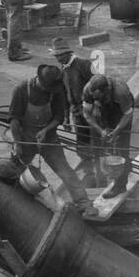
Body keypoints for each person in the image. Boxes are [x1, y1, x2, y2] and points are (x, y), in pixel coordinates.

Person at [8, 63, 100, 219]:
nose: (48, 91)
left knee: (66, 171)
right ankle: (12, 206)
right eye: (46, 87)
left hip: (49, 138)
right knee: (13, 172)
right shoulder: (21, 90)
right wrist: (18, 143)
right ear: (38, 79)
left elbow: (58, 116)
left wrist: (46, 130)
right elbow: (14, 119)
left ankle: (84, 203)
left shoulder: (55, 91)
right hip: (25, 139)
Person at [50, 37, 99, 185]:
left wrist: (97, 110)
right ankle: (89, 173)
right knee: (81, 143)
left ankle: (101, 171)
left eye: (59, 56)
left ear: (67, 54)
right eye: (56, 56)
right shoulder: (62, 70)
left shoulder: (84, 64)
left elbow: (97, 88)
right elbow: (63, 95)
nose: (57, 59)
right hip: (76, 112)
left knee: (96, 141)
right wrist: (66, 117)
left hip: (90, 111)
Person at [82, 74, 135, 194]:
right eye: (94, 97)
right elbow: (87, 114)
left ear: (106, 91)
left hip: (120, 112)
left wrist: (116, 131)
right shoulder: (88, 90)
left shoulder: (121, 92)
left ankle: (120, 186)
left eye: (99, 97)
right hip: (101, 111)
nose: (95, 98)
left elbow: (128, 114)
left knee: (122, 150)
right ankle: (101, 182)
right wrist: (101, 131)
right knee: (97, 148)